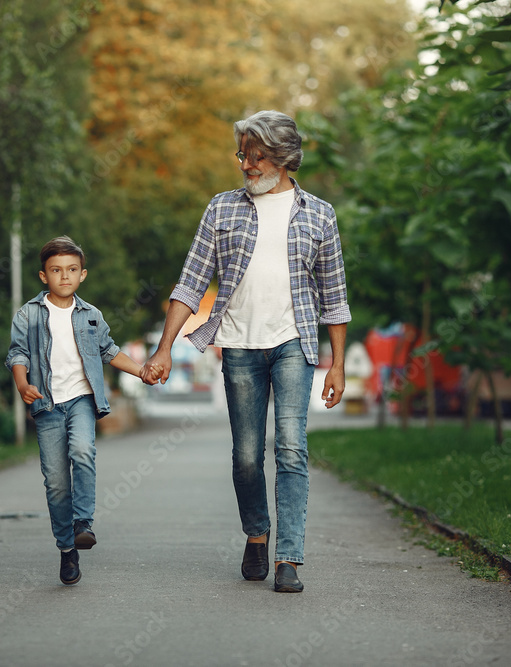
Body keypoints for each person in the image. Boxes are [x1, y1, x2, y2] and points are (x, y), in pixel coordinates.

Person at [142, 110, 350, 593]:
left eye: (256, 156)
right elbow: (192, 282)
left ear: (283, 158)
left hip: (294, 344)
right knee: (245, 456)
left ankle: (288, 559)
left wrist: (337, 363)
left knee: (292, 447)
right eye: (242, 155)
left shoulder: (319, 214)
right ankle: (257, 534)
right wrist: (164, 348)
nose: (246, 165)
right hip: (237, 346)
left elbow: (334, 296)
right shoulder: (222, 209)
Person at [6, 235, 161, 585]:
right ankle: (66, 550)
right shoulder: (29, 315)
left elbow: (110, 350)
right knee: (57, 482)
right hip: (46, 404)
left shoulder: (90, 315)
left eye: (72, 270)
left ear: (83, 274)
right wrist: (22, 384)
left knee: (83, 450)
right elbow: (17, 354)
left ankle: (82, 523)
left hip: (81, 400)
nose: (65, 276)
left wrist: (143, 371)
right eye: (56, 270)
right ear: (44, 276)